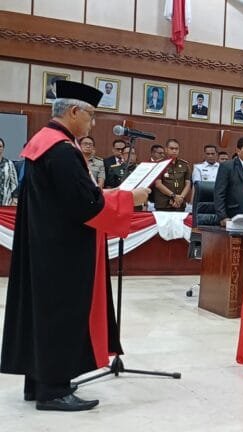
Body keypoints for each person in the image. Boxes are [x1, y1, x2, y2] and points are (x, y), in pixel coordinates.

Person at [0, 80, 149, 411]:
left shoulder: (43, 143)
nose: (92, 123)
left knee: (42, 315)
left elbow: (69, 196)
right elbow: (86, 205)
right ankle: (54, 391)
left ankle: (39, 383)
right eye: (91, 116)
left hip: (45, 246)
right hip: (62, 253)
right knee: (60, 316)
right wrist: (130, 199)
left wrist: (107, 194)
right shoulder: (63, 151)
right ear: (73, 112)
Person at [153, 139, 191, 212]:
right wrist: (174, 196)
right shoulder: (159, 164)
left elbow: (188, 184)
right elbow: (158, 184)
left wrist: (181, 198)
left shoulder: (184, 165)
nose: (174, 151)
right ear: (166, 149)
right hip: (163, 204)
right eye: (172, 148)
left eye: (176, 149)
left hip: (179, 204)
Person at [0, 138, 19, 204]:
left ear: (3, 148)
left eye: (0, 146)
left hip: (5, 203)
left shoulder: (9, 164)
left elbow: (14, 183)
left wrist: (14, 199)